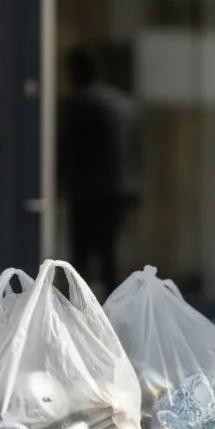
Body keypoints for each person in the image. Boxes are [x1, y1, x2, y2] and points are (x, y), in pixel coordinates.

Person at [58, 45, 142, 295]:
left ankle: (80, 310)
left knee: (83, 256)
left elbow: (70, 149)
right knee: (111, 255)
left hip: (89, 193)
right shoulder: (125, 104)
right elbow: (136, 150)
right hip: (122, 191)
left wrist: (63, 183)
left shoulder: (80, 104)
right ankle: (113, 305)